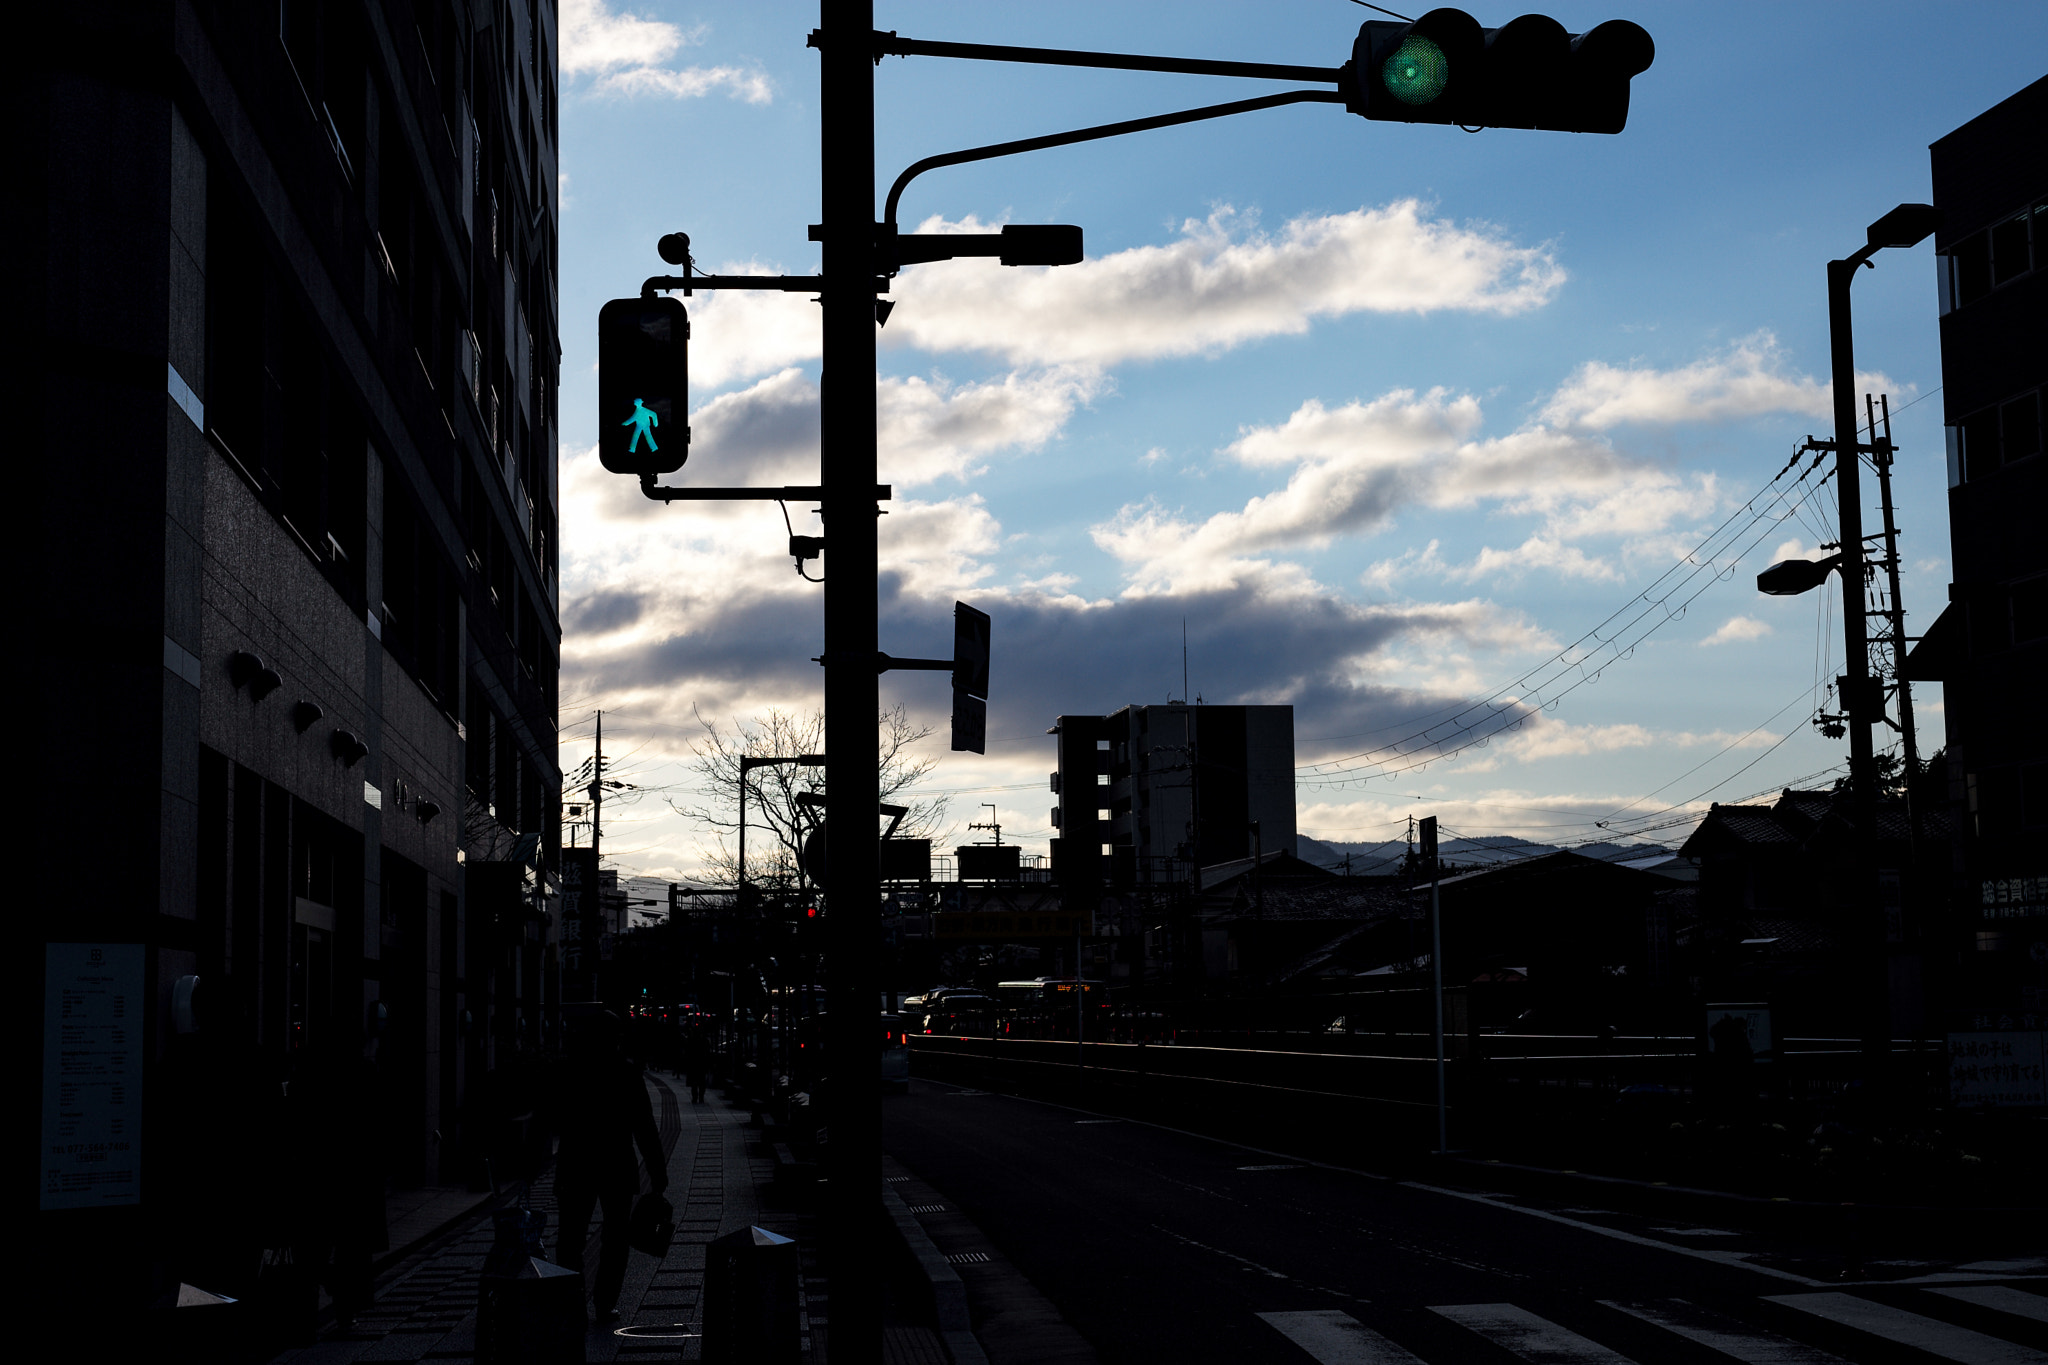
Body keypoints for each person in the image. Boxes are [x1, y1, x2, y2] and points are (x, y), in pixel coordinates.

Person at [550, 1012, 667, 1323]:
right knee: (615, 1239)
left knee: (570, 1238)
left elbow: (548, 1117)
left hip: (576, 1163)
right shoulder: (626, 1074)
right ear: (616, 1039)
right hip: (616, 1165)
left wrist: (531, 1161)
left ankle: (571, 1301)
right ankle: (604, 1302)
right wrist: (657, 1170)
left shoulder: (570, 1071)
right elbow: (645, 1127)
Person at [684, 1023, 711, 1104]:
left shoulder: (691, 1041)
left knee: (695, 1083)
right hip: (701, 1064)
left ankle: (695, 1097)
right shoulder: (704, 1041)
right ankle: (700, 1097)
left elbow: (687, 1053)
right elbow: (707, 1053)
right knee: (701, 1082)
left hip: (694, 1064)